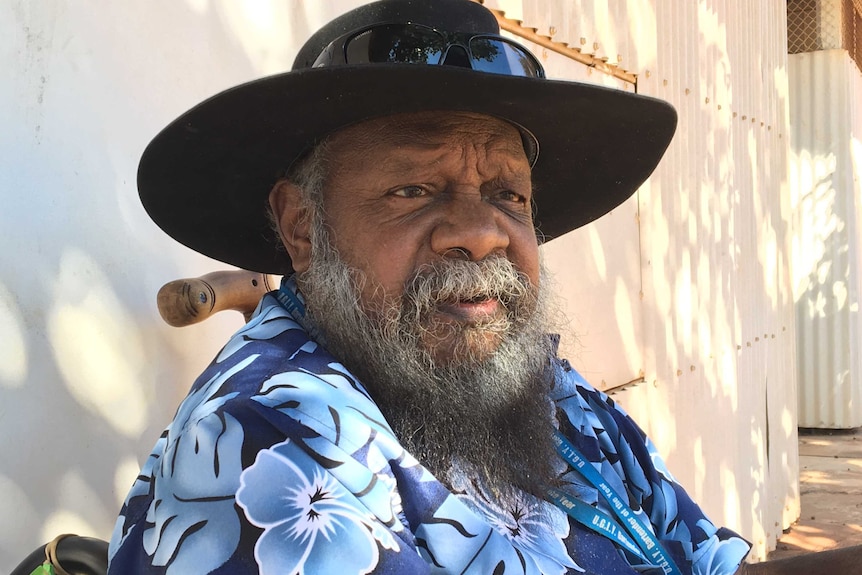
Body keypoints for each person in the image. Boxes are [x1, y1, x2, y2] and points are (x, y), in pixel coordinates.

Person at [107, 1, 861, 574]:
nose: (482, 232)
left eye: (509, 194)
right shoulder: (272, 441)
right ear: (302, 225)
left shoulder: (543, 388)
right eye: (412, 188)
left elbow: (696, 551)